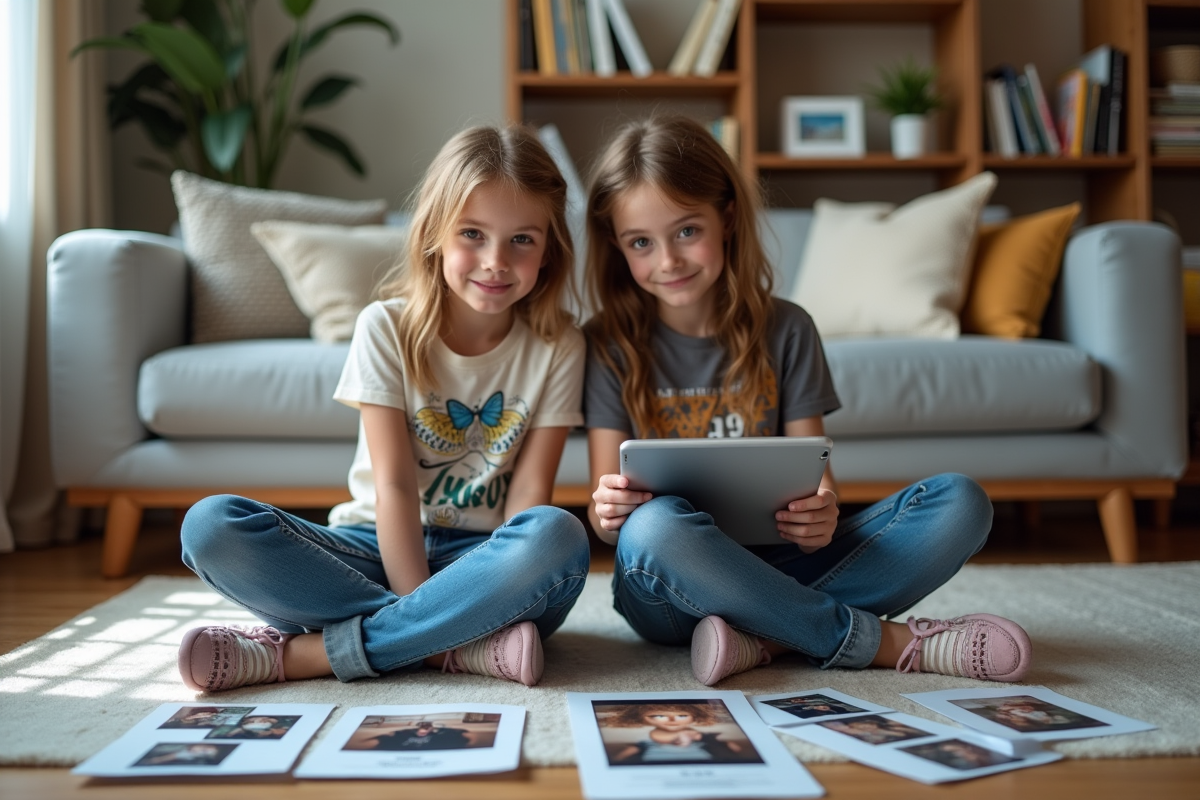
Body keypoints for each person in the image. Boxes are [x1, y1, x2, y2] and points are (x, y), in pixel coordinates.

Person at [583, 115, 1033, 687]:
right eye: (640, 243)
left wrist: (821, 514)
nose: (667, 260)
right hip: (669, 589)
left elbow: (818, 476)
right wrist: (608, 513)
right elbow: (611, 526)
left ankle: (764, 636)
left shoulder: (787, 328)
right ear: (617, 246)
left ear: (725, 218)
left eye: (686, 231)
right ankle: (873, 642)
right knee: (653, 529)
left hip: (784, 562)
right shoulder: (608, 343)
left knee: (961, 503)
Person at [176, 124, 590, 692]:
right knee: (210, 527)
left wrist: (464, 590)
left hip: (486, 561)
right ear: (435, 236)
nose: (495, 261)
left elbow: (527, 499)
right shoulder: (386, 327)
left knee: (556, 535)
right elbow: (394, 486)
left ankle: (300, 657)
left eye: (522, 239)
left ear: (549, 251)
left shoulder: (559, 343)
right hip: (375, 543)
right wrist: (425, 609)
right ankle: (454, 646)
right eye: (473, 234)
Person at [606, 704, 752, 764]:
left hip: (700, 762)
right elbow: (633, 750)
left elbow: (717, 743)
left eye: (681, 716)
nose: (671, 720)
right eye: (659, 716)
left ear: (694, 717)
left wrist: (726, 745)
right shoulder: (645, 742)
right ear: (642, 718)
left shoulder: (695, 735)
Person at [366, 720, 472, 751]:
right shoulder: (403, 735)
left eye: (426, 727)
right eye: (422, 728)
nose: (423, 730)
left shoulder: (439, 735)